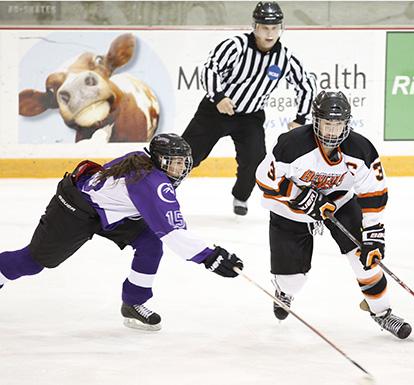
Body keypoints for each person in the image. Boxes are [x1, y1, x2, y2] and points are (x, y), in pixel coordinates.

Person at [0, 133, 244, 331]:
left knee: (150, 242)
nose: (181, 168)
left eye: (183, 161)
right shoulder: (153, 183)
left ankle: (133, 302)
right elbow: (173, 232)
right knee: (34, 261)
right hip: (74, 210)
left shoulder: (141, 157)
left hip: (110, 212)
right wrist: (210, 257)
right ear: (159, 159)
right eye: (175, 161)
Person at [255, 91, 412, 339]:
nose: (332, 131)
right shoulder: (291, 144)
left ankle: (382, 312)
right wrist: (301, 195)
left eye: (338, 124)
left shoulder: (361, 149)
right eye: (327, 123)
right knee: (292, 281)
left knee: (365, 256)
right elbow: (265, 179)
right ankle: (283, 290)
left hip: (340, 201)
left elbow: (374, 193)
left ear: (346, 123)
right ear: (316, 121)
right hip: (291, 211)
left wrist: (374, 233)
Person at [182, 1, 316, 216]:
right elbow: (210, 68)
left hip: (250, 118)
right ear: (255, 27)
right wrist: (218, 97)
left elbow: (306, 85)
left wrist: (300, 118)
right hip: (215, 112)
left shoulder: (285, 59)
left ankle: (241, 196)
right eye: (265, 27)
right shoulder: (235, 46)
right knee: (187, 153)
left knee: (255, 159)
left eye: (275, 28)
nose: (270, 33)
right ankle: (163, 189)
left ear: (282, 28)